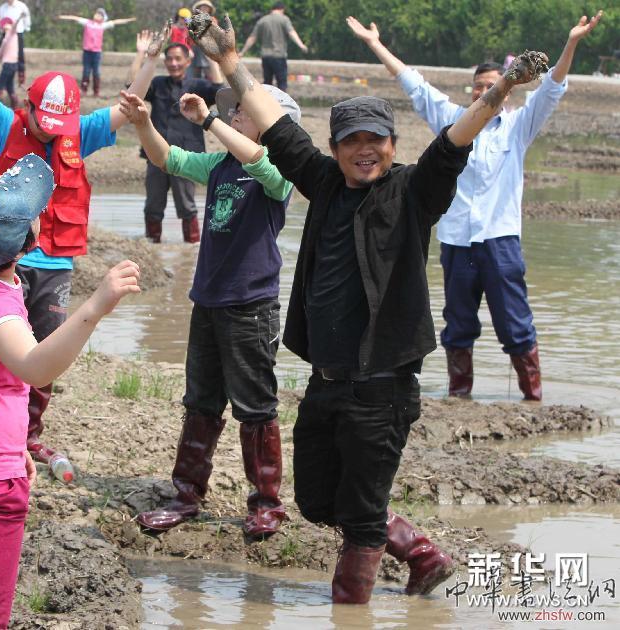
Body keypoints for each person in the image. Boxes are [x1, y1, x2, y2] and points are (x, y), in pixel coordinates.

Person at [190, 14, 545, 603]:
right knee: (315, 501)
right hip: (327, 382)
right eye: (351, 141)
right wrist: (230, 63)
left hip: (383, 388)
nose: (363, 151)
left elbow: (456, 140)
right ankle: (422, 554)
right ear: (335, 149)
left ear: (392, 146)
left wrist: (503, 89)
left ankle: (348, 608)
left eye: (374, 141)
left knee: (358, 522)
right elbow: (279, 130)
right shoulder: (324, 182)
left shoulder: (414, 191)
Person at [0, 9, 163, 478]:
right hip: (5, 263)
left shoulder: (80, 131)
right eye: (44, 121)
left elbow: (127, 109)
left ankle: (28, 434)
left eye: (58, 124)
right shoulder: (4, 124)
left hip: (57, 263)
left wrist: (148, 61)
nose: (50, 131)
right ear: (29, 105)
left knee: (47, 344)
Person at [0, 159, 140, 628]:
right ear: (27, 242)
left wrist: (14, 446)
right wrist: (96, 307)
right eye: (38, 210)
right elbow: (36, 368)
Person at [347, 12, 603, 401]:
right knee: (458, 324)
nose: (487, 92)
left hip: (500, 241)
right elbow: (415, 86)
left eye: (493, 85)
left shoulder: (518, 127)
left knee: (515, 324)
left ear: (509, 87)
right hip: (457, 241)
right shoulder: (453, 121)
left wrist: (572, 42)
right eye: (479, 88)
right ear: (473, 94)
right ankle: (458, 395)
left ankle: (532, 398)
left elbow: (552, 88)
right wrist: (374, 43)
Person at [120, 83, 300, 538]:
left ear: (276, 126)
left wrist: (209, 121)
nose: (235, 112)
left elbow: (257, 160)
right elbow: (170, 160)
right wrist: (144, 123)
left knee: (255, 406)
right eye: (233, 108)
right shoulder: (220, 165)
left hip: (251, 306)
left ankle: (267, 504)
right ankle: (186, 495)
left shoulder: (277, 172)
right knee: (200, 401)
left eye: (244, 109)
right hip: (209, 300)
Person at [129, 36, 224, 243]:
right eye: (170, 59)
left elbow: (218, 89)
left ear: (188, 61)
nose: (173, 63)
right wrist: (141, 54)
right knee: (153, 205)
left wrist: (210, 57)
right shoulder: (158, 83)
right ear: (165, 62)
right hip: (157, 156)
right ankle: (152, 247)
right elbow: (132, 87)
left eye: (178, 59)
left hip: (188, 157)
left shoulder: (198, 85)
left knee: (187, 206)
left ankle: (192, 248)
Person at [58, 8, 136, 97]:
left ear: (103, 18)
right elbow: (75, 18)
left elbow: (116, 21)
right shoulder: (87, 22)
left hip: (96, 53)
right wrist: (62, 17)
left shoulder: (103, 25)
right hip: (87, 52)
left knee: (96, 72)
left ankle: (96, 91)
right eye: (97, 13)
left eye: (100, 15)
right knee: (86, 71)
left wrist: (129, 20)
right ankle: (84, 89)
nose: (97, 15)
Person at [239, 2, 308, 91]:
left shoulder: (263, 20)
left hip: (266, 56)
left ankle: (266, 103)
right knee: (282, 83)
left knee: (267, 83)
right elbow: (292, 33)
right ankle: (282, 104)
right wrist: (301, 45)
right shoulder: (284, 19)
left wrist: (243, 52)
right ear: (282, 9)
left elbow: (252, 37)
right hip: (279, 56)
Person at [0, 17, 21, 107]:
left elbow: (14, 26)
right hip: (13, 65)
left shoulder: (13, 35)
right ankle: (15, 105)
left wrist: (19, 17)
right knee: (10, 88)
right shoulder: (5, 40)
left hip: (8, 65)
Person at [0, 0, 31, 87]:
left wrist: (26, 28)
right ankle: (7, 77)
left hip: (18, 34)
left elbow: (27, 20)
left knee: (20, 56)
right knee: (5, 56)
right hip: (6, 33)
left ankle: (21, 81)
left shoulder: (21, 6)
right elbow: (0, 21)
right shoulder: (2, 8)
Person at [188, 1, 215, 79]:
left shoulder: (213, 19)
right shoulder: (193, 18)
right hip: (195, 47)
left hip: (207, 47)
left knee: (208, 69)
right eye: (202, 7)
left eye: (206, 7)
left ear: (209, 9)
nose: (204, 9)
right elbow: (188, 28)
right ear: (198, 8)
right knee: (194, 69)